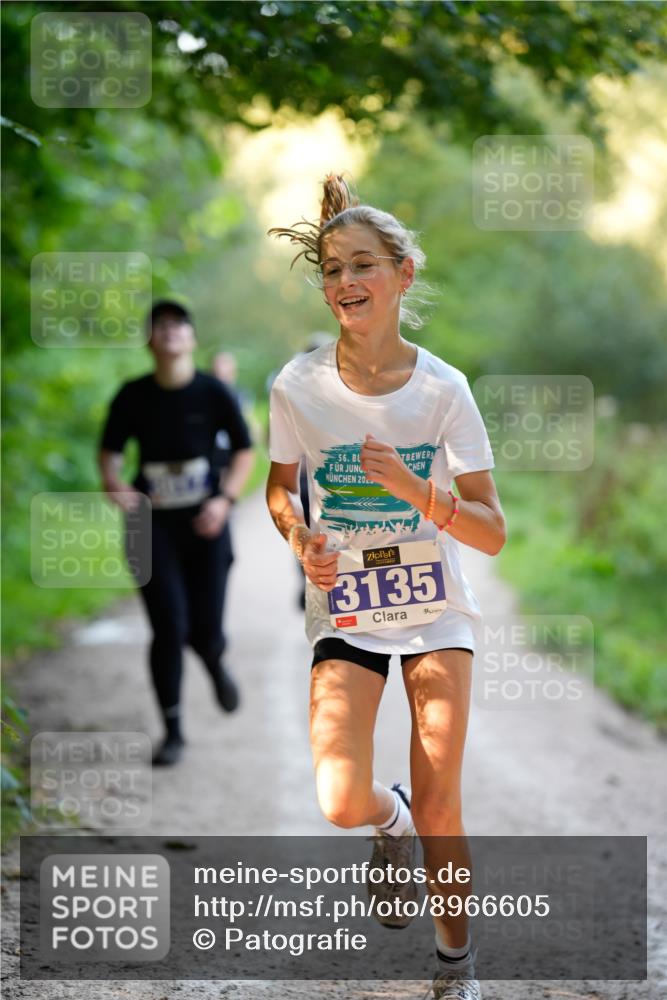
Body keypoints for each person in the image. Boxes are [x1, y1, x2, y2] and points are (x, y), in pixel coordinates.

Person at [266, 176, 505, 999]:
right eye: (331, 269)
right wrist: (299, 537)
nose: (342, 283)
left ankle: (454, 966)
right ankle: (387, 819)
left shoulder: (444, 390)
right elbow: (278, 487)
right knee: (339, 800)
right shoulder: (296, 385)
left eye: (361, 265)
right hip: (347, 609)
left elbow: (489, 529)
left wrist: (413, 490)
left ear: (404, 274)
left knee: (444, 800)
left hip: (435, 606)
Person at [99, 300, 254, 766]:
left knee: (205, 631)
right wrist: (114, 484)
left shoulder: (214, 393)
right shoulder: (132, 395)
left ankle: (213, 659)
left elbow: (245, 450)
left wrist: (224, 500)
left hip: (206, 525)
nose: (168, 331)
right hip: (151, 526)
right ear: (150, 341)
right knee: (168, 627)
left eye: (177, 324)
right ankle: (173, 731)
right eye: (158, 326)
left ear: (191, 338)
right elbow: (109, 452)